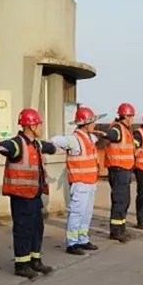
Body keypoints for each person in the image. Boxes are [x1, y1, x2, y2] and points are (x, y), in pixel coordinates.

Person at [0, 108, 57, 279]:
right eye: (39, 124)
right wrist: (3, 149)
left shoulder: (35, 144)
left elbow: (50, 148)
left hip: (34, 195)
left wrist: (52, 147)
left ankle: (35, 260)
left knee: (37, 228)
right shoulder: (18, 143)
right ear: (31, 126)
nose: (41, 127)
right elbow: (2, 147)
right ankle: (22, 265)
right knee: (23, 230)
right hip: (21, 197)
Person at [49, 105, 103, 255]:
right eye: (92, 122)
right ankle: (72, 243)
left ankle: (82, 239)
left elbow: (99, 137)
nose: (94, 124)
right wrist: (47, 144)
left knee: (86, 213)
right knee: (77, 212)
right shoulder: (74, 140)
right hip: (80, 183)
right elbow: (56, 140)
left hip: (90, 182)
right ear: (85, 124)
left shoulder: (89, 138)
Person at [103, 103, 137, 243]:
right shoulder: (117, 128)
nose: (133, 119)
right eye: (132, 116)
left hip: (124, 170)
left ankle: (121, 227)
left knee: (125, 201)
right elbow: (112, 135)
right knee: (119, 201)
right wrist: (105, 134)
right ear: (127, 116)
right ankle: (115, 231)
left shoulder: (125, 129)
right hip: (118, 170)